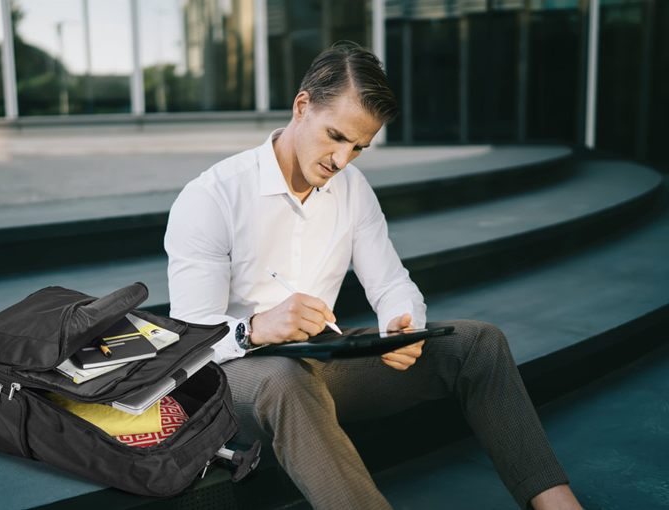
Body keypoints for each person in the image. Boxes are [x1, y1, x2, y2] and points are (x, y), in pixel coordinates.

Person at [164, 41, 582, 509]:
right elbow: (186, 343)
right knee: (285, 380)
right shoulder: (212, 197)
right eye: (336, 136)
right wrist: (257, 328)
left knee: (477, 345)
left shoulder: (351, 188)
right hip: (233, 382)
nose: (342, 160)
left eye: (359, 147)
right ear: (302, 106)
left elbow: (390, 282)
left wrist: (401, 323)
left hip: (320, 362)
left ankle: (556, 503)